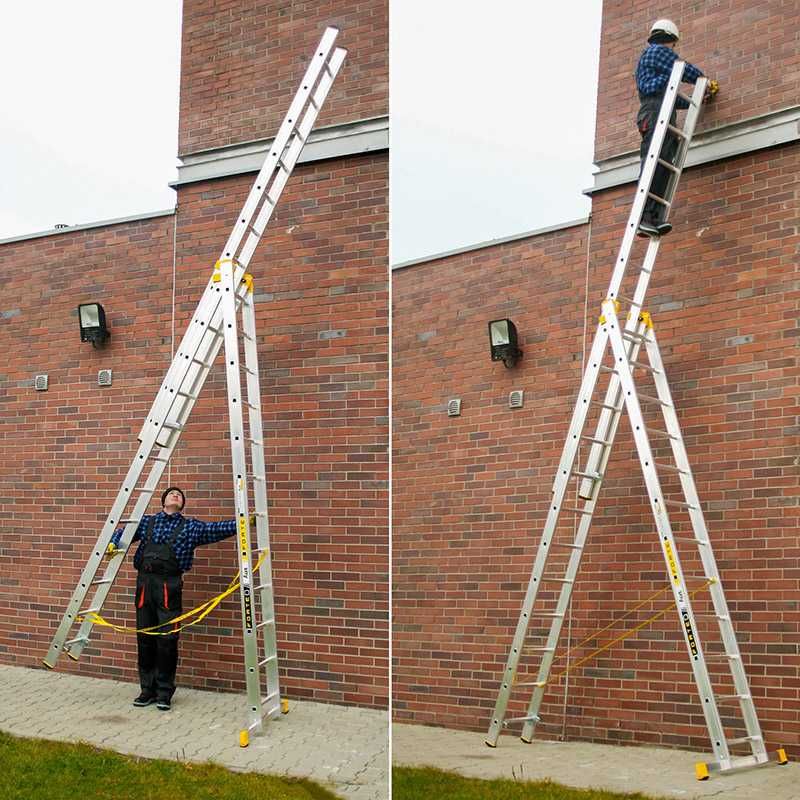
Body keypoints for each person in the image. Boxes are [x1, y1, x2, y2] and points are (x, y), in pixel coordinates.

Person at [108, 486, 243, 710]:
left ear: (182, 504)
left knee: (167, 641)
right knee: (145, 638)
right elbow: (123, 533)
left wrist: (242, 523)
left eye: (179, 495)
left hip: (168, 587)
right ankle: (146, 691)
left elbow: (217, 528)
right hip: (144, 585)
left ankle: (163, 693)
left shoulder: (191, 527)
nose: (176, 495)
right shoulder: (147, 522)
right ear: (163, 501)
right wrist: (113, 542)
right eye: (172, 493)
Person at [634, 18, 712, 237]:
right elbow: (683, 69)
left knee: (665, 164)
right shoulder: (656, 52)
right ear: (670, 39)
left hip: (662, 110)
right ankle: (644, 216)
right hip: (654, 112)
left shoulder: (659, 71)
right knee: (655, 162)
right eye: (674, 44)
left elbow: (671, 96)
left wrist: (695, 101)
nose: (673, 48)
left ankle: (654, 217)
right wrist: (704, 80)